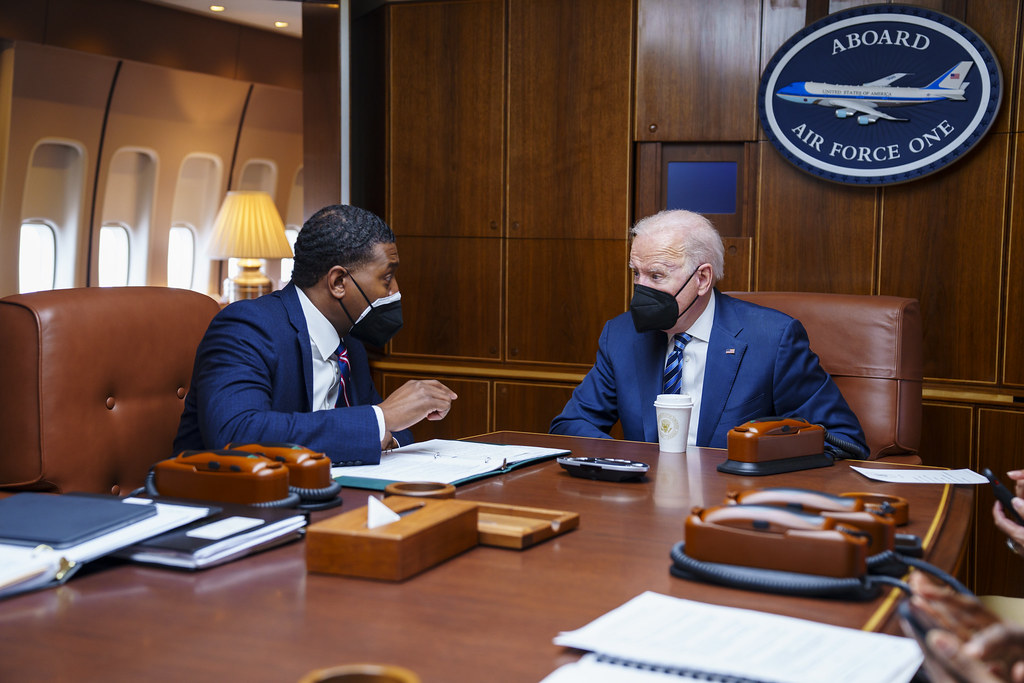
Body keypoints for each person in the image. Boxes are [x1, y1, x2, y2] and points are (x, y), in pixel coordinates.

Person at [549, 209, 866, 455]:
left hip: (733, 501)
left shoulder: (773, 339)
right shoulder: (622, 335)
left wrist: (752, 463)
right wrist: (632, 461)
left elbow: (843, 440)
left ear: (702, 279)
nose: (641, 289)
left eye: (656, 276)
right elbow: (572, 424)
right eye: (636, 274)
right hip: (642, 498)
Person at [174, 204, 458, 465]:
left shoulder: (350, 343)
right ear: (338, 282)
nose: (395, 290)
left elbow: (392, 430)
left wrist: (384, 426)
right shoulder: (248, 327)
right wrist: (381, 418)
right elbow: (237, 435)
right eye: (386, 278)